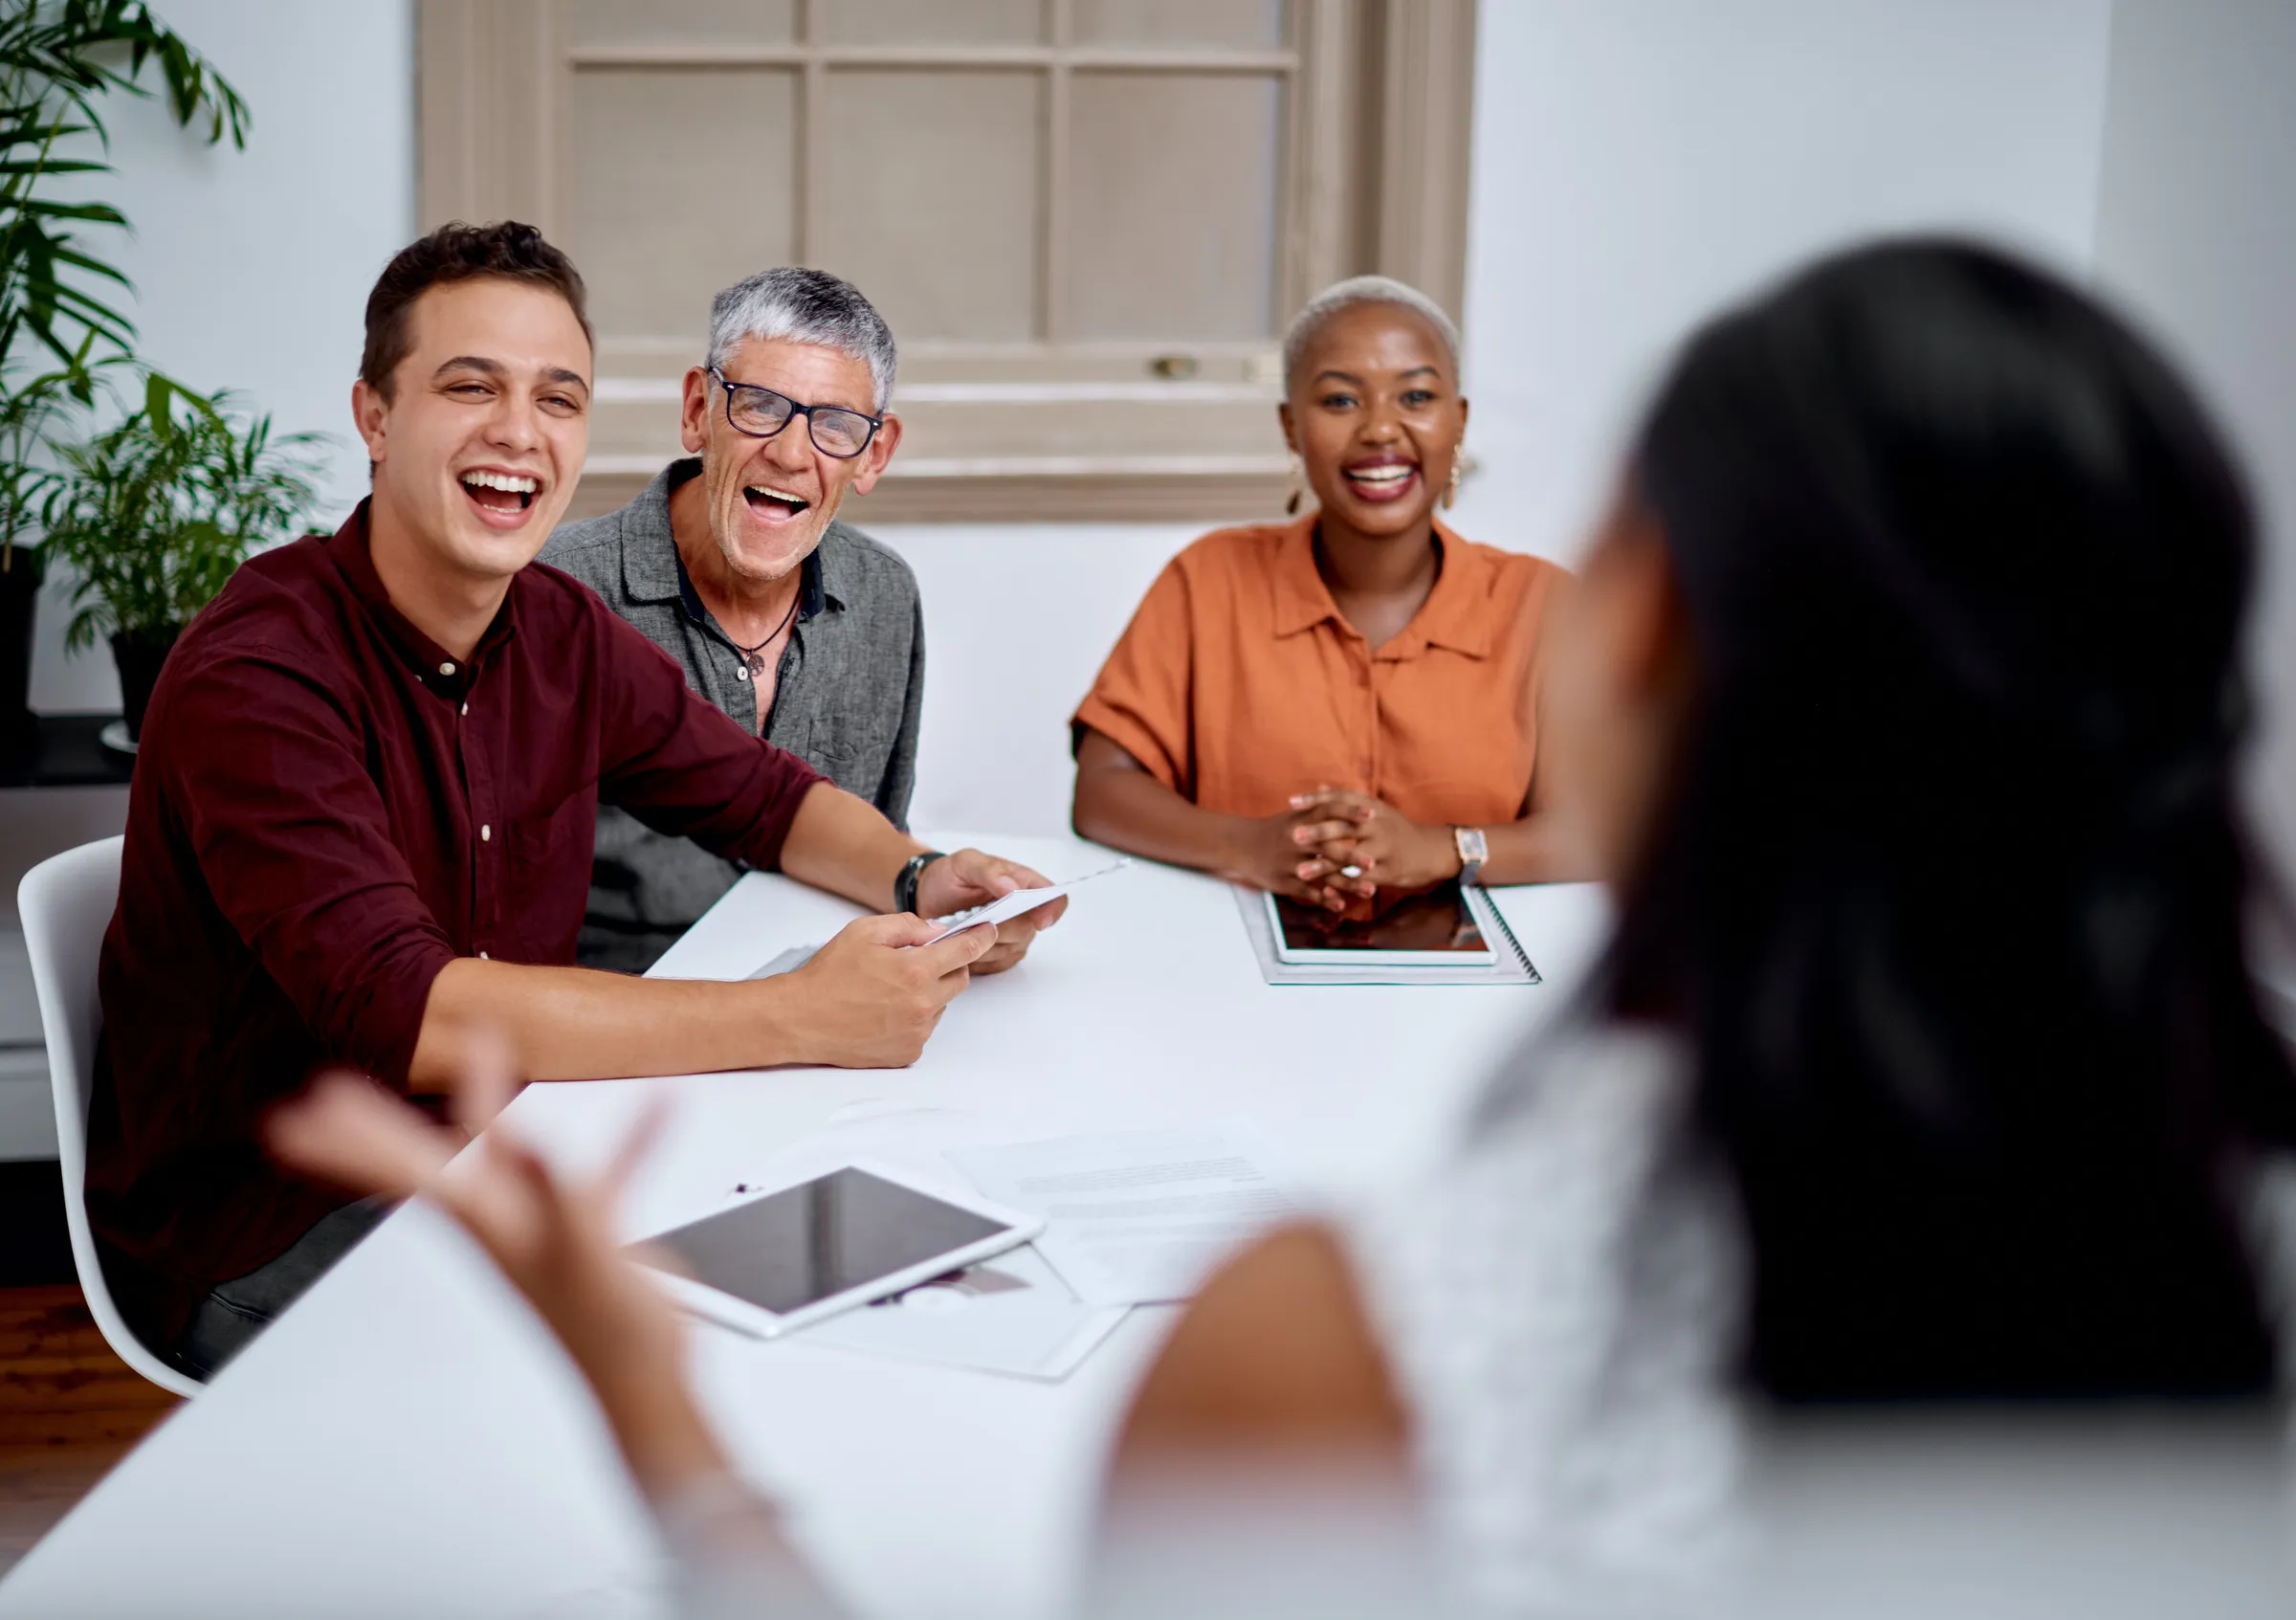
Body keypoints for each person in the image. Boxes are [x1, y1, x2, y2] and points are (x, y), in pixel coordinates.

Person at [275, 238, 2296, 1614]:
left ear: (1635, 629)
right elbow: (1035, 789)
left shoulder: (1332, 1346)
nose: (794, 458)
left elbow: (766, 800)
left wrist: (662, 1423)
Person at [90, 221, 1062, 1384]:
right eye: (469, 386)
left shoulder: (554, 629)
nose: (518, 431)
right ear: (375, 415)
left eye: (558, 399)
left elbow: (762, 798)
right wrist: (803, 1014)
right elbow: (415, 1017)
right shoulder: (261, 673)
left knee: (863, 1281)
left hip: (511, 1142)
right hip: (268, 1229)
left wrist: (921, 875)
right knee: (674, 1363)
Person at [1071, 276, 1581, 912]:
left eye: (1416, 395)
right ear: (1291, 428)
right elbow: (1102, 791)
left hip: (1483, 994)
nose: (1380, 430)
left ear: (1459, 421)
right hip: (1227, 975)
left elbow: (1604, 826)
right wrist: (1249, 845)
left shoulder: (1542, 604)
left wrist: (1444, 849)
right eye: (1340, 401)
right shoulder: (1208, 579)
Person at [542, 268, 942, 973]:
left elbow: (880, 851)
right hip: (611, 1035)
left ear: (874, 453)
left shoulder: (885, 597)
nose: (791, 454)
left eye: (837, 426)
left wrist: (942, 902)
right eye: (758, 406)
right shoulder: (556, 590)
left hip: (818, 1020)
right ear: (698, 409)